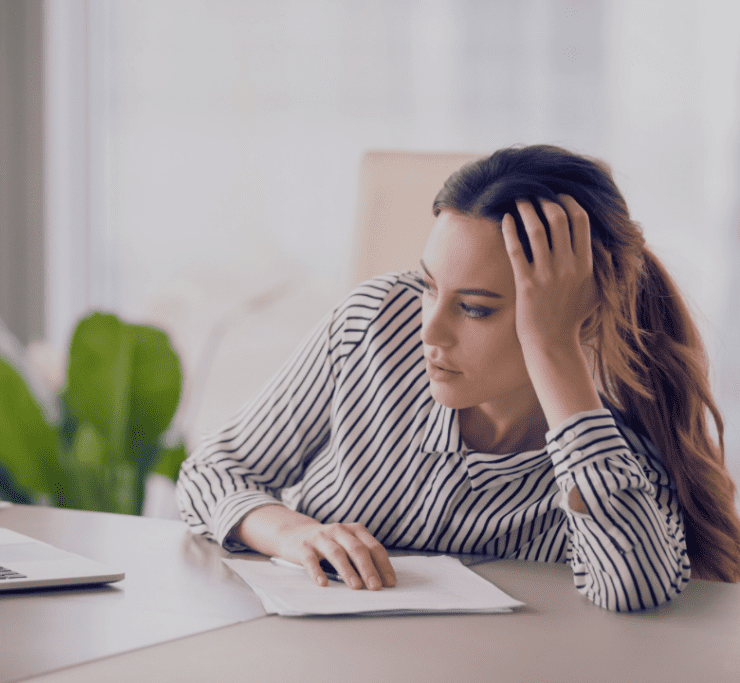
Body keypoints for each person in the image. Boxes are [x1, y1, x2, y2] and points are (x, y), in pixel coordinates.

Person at [175, 144, 740, 612]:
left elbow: (634, 588)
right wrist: (290, 531)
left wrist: (552, 348)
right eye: (427, 286)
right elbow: (212, 473)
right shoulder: (374, 324)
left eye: (475, 308)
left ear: (578, 314)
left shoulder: (617, 429)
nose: (431, 332)